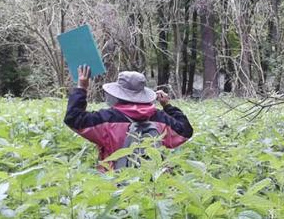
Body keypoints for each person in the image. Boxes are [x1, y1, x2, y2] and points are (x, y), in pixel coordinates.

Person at [63, 65, 194, 171]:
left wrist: (82, 88)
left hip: (116, 189)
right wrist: (167, 106)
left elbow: (73, 118)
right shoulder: (161, 118)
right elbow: (186, 131)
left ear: (117, 94)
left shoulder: (106, 119)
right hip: (153, 189)